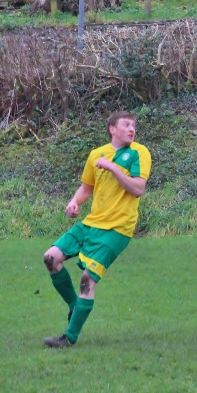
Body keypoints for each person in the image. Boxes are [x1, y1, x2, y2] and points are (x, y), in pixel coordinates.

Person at [41, 111, 151, 348]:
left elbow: (137, 189)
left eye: (134, 125)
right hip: (91, 223)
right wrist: (74, 202)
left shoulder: (139, 152)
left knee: (87, 280)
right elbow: (86, 188)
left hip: (117, 229)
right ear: (112, 129)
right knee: (51, 258)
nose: (132, 129)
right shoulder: (96, 155)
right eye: (126, 125)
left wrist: (113, 167)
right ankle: (75, 306)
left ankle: (69, 338)